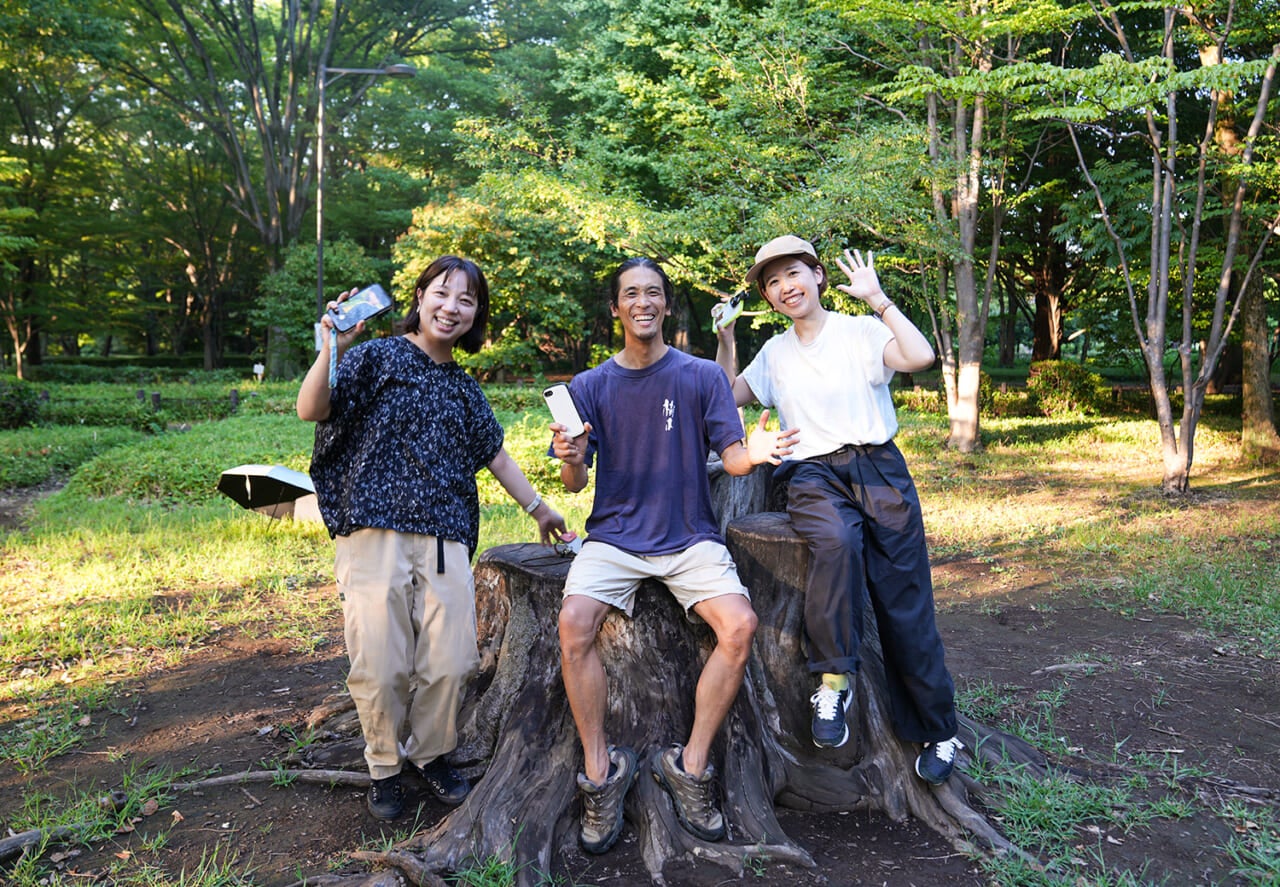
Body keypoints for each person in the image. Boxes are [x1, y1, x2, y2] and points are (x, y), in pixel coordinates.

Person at [297, 255, 567, 822]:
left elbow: (493, 452)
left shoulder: (464, 388)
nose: (452, 307)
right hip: (373, 530)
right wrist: (332, 348)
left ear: (475, 316)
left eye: (466, 300)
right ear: (419, 298)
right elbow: (311, 408)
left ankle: (430, 752)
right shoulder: (375, 357)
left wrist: (539, 508)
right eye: (442, 293)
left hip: (445, 535)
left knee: (452, 662)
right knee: (380, 662)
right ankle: (384, 766)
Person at [551, 257, 799, 854]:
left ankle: (689, 766)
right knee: (571, 626)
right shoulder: (587, 387)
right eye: (631, 293)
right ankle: (601, 771)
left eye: (654, 293)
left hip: (690, 536)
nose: (643, 302)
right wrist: (568, 452)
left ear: (666, 307)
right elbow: (575, 483)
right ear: (616, 309)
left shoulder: (701, 377)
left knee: (739, 626)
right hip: (613, 538)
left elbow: (733, 458)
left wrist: (758, 450)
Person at [714, 235, 962, 785]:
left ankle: (939, 728)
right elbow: (725, 395)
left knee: (905, 596)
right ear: (768, 296)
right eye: (773, 282)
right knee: (835, 544)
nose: (785, 287)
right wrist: (726, 338)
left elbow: (920, 356)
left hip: (879, 468)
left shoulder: (860, 331)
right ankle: (832, 684)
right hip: (811, 474)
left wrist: (880, 300)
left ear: (819, 276)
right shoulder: (774, 353)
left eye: (794, 274)